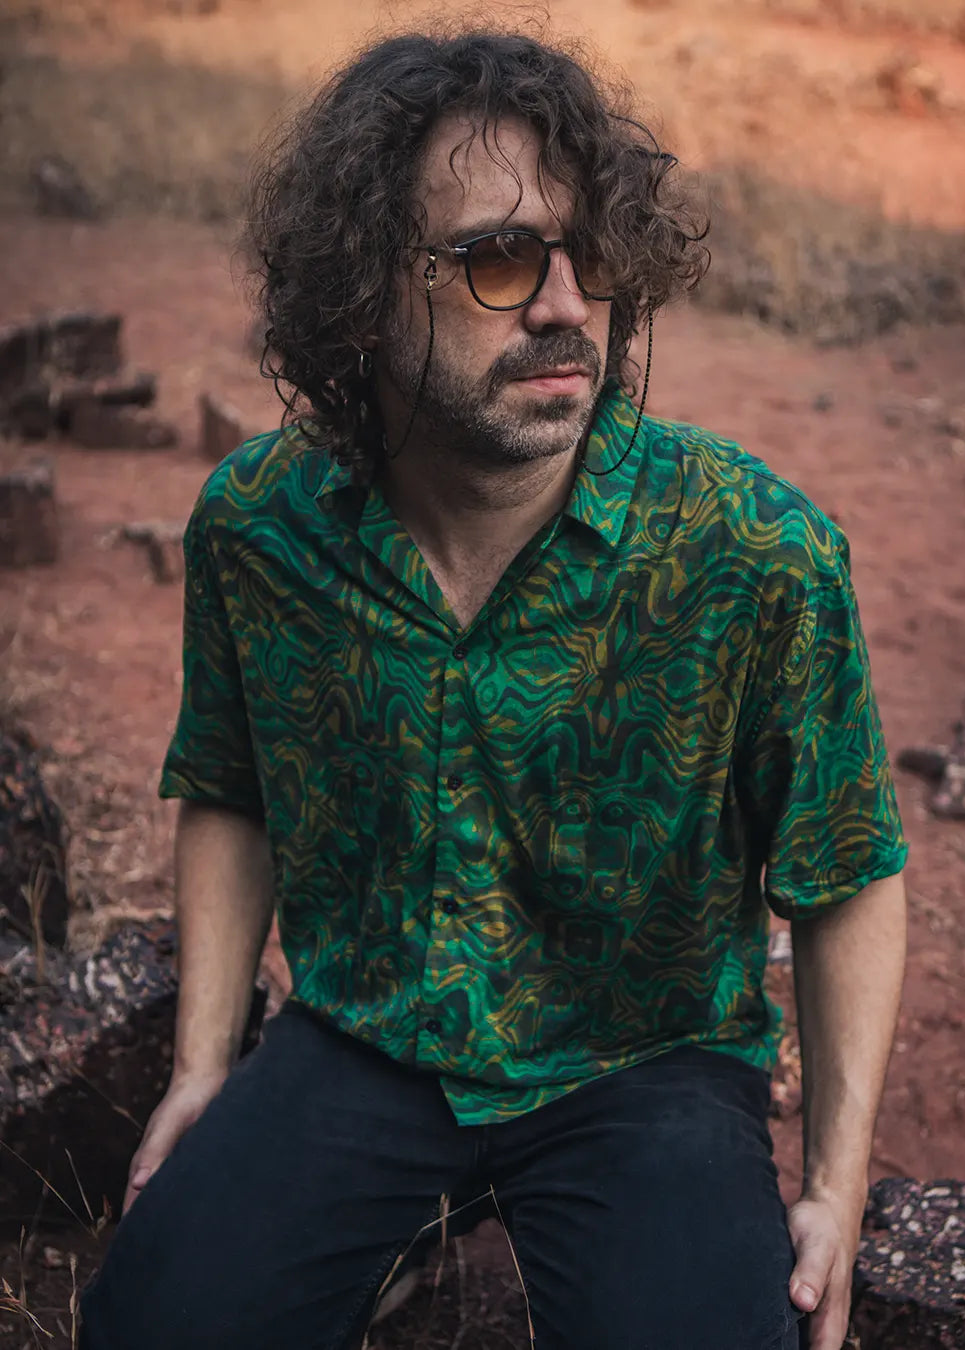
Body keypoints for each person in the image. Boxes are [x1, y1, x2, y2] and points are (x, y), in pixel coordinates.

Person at [79, 28, 907, 1350]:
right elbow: (229, 790)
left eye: (593, 256)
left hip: (645, 1059)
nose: (568, 307)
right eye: (500, 257)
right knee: (151, 1320)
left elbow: (849, 867)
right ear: (362, 293)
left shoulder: (754, 551)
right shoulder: (260, 529)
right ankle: (395, 1222)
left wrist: (836, 1184)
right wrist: (200, 1067)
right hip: (370, 1033)